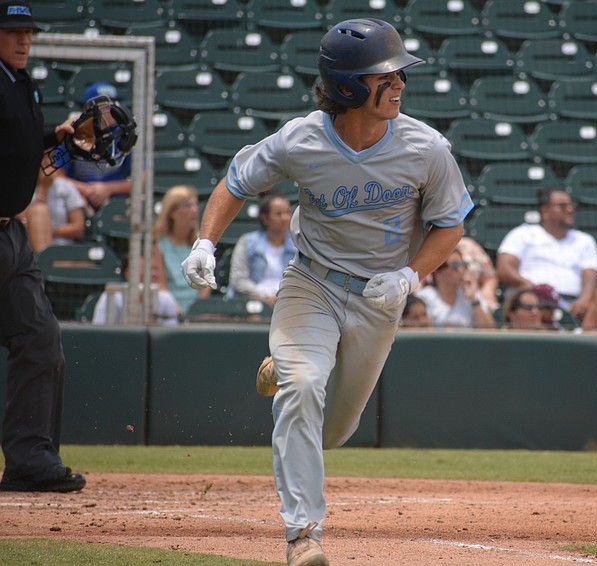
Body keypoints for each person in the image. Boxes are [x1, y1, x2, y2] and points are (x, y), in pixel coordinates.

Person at [180, 18, 472, 566]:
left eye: (398, 74)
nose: (399, 84)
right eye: (384, 76)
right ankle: (303, 536)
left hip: (380, 298)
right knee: (304, 385)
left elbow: (451, 223)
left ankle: (279, 369)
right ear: (347, 87)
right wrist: (204, 243)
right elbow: (235, 182)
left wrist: (411, 276)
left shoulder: (426, 147)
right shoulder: (301, 138)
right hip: (311, 282)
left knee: (333, 432)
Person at [0, 1, 86, 492]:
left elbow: (24, 140)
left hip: (11, 233)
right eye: (12, 32)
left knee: (39, 338)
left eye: (27, 32)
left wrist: (61, 134)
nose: (23, 40)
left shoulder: (21, 83)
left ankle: (30, 460)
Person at [496, 189, 597, 324]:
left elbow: (591, 274)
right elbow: (504, 268)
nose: (570, 210)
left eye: (572, 205)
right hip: (534, 306)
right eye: (563, 206)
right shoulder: (524, 233)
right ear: (545, 211)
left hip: (572, 307)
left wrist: (585, 299)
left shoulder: (585, 240)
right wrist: (530, 287)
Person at [54, 81, 134, 211]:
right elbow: (55, 177)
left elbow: (142, 180)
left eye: (114, 104)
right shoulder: (73, 134)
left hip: (115, 202)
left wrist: (108, 189)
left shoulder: (124, 134)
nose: (110, 110)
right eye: (105, 106)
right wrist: (85, 190)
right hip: (76, 199)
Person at [227, 191, 297, 306]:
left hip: (287, 303)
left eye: (287, 213)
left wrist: (280, 296)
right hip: (253, 300)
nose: (285, 218)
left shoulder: (298, 245)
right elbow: (238, 280)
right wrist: (265, 297)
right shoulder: (246, 242)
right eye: (278, 214)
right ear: (265, 218)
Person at [152, 185, 211, 314]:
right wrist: (178, 312)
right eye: (187, 205)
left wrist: (197, 310)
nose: (195, 210)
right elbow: (161, 285)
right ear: (172, 212)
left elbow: (206, 283)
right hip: (169, 312)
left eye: (196, 204)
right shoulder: (157, 245)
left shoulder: (202, 243)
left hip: (198, 312)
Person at [20, 153, 86, 253]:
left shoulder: (65, 187)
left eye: (49, 158)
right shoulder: (22, 188)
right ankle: (44, 262)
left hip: (63, 249)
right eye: (42, 159)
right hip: (29, 249)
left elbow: (78, 229)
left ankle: (48, 262)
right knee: (40, 211)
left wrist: (46, 230)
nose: (47, 163)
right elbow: (22, 222)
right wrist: (43, 191)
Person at [415, 247, 495, 329]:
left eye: (463, 265)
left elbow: (490, 331)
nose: (461, 270)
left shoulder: (472, 294)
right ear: (438, 273)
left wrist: (474, 300)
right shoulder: (424, 297)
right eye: (455, 266)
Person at [92, 255, 180, 325]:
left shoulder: (166, 298)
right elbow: (100, 333)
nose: (152, 273)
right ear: (128, 273)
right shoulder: (112, 296)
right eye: (144, 269)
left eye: (154, 269)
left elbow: (170, 338)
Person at [455, 236, 499, 310]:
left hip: (472, 297)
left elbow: (490, 277)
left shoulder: (468, 246)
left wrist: (487, 292)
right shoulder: (430, 246)